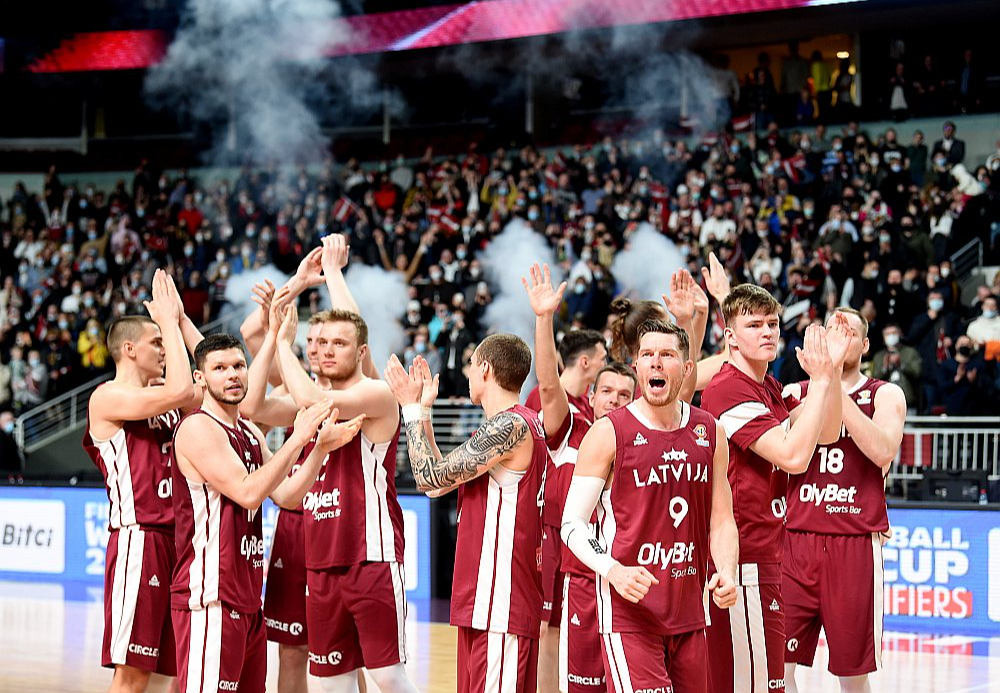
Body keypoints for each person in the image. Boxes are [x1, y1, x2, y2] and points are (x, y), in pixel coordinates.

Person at [171, 332, 362, 693]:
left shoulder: (246, 430)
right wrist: (298, 438)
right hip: (210, 594)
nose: (233, 375)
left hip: (246, 596)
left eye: (239, 366)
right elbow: (248, 492)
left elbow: (288, 496)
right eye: (220, 368)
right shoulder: (198, 427)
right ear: (200, 378)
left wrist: (319, 448)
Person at [560, 318, 739, 693]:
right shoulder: (608, 433)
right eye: (647, 355)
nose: (656, 362)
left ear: (687, 368)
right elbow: (573, 524)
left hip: (691, 612)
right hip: (630, 614)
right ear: (637, 366)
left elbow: (721, 520)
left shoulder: (711, 432)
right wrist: (613, 571)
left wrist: (726, 569)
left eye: (667, 355)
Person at [700, 284, 852, 693]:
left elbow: (828, 431)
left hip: (766, 553)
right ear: (729, 336)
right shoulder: (727, 387)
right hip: (741, 557)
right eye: (754, 325)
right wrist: (819, 382)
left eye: (772, 323)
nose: (768, 332)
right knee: (753, 685)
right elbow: (793, 456)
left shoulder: (766, 386)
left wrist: (832, 373)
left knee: (769, 683)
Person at [386, 334, 548, 693]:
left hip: (501, 602)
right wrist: (424, 412)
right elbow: (438, 482)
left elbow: (429, 477)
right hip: (486, 601)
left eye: (471, 365)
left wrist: (409, 409)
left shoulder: (511, 426)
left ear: (486, 368)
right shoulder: (516, 424)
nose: (468, 373)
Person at [270, 305, 419, 693]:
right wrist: (277, 339)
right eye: (321, 342)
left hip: (370, 555)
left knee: (386, 675)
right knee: (329, 682)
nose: (329, 350)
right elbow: (258, 408)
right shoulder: (308, 400)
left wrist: (283, 344)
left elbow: (317, 404)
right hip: (320, 561)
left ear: (361, 351)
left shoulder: (375, 393)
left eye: (341, 342)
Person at [82, 270, 202, 693]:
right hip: (141, 541)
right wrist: (167, 321)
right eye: (156, 343)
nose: (165, 350)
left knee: (167, 675)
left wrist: (182, 322)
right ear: (129, 349)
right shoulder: (108, 396)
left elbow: (216, 374)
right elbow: (184, 390)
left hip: (179, 542)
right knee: (132, 676)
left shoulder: (167, 398)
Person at [523, 263, 637, 693]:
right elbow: (548, 386)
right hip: (563, 540)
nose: (615, 398)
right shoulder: (569, 418)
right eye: (606, 390)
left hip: (621, 555)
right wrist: (544, 317)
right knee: (552, 635)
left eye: (624, 394)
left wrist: (693, 323)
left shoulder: (629, 428)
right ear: (592, 393)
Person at [781, 308, 906, 693]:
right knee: (778, 669)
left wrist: (832, 378)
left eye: (847, 331)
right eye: (831, 329)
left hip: (853, 541)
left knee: (852, 675)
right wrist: (823, 383)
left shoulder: (885, 393)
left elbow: (883, 451)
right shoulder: (792, 393)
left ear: (865, 345)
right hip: (795, 539)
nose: (838, 336)